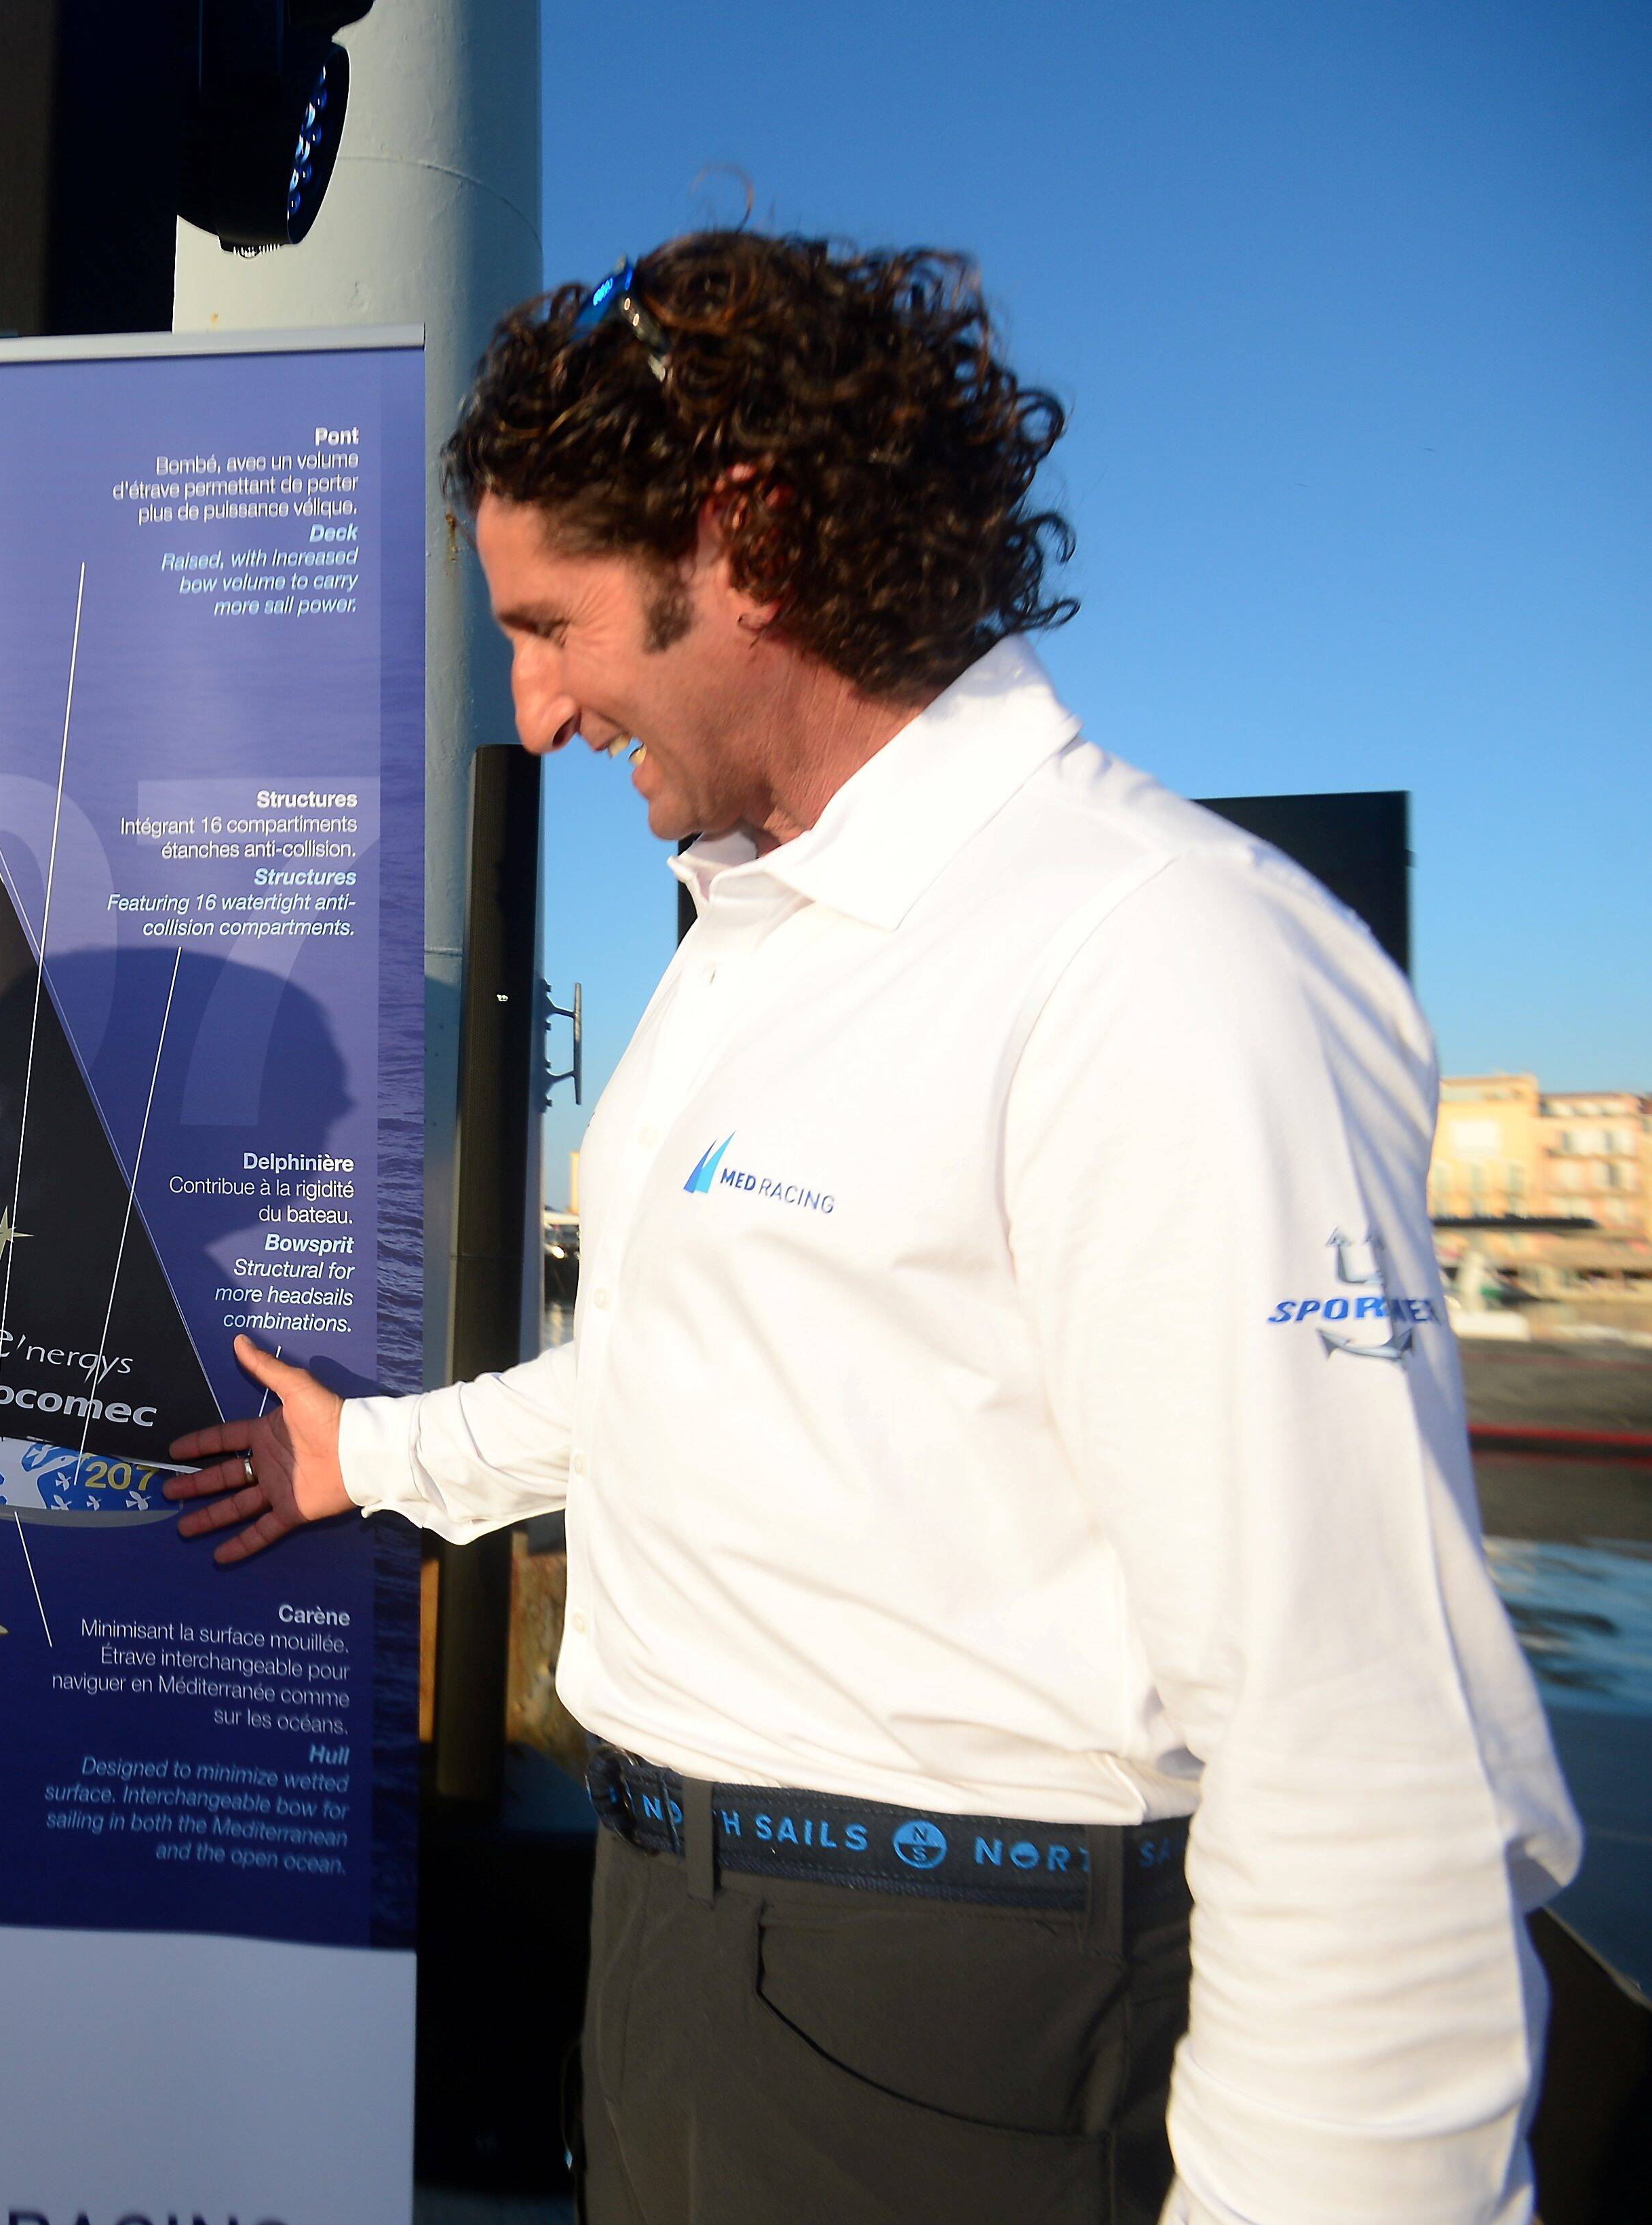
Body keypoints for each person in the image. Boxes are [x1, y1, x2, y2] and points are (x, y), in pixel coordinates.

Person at [168, 233, 1578, 2223]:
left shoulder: (1157, 957)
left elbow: (1360, 1751)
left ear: (740, 541)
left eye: (552, 621)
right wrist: (363, 1459)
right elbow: (691, 1381)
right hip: (682, 1963)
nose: (541, 707)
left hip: (950, 2029)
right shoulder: (753, 959)